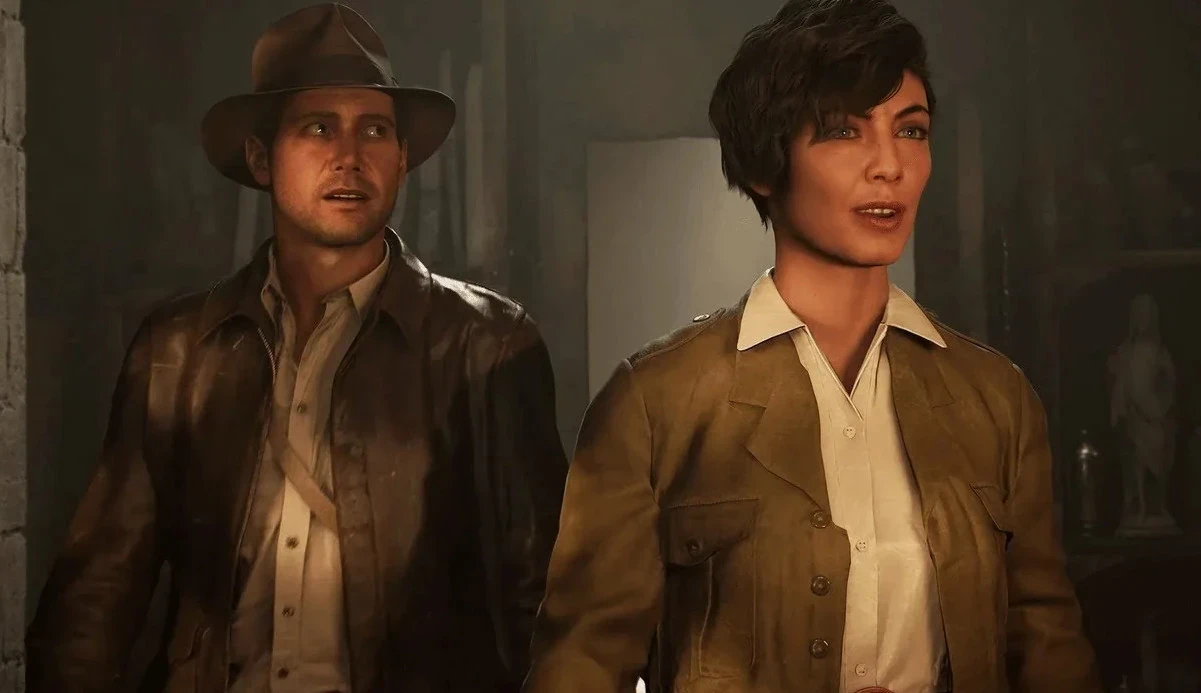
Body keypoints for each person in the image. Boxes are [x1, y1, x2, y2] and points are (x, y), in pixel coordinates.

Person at [522, 1, 1101, 691]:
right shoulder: (655, 404)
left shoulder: (995, 399)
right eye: (844, 131)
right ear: (766, 165)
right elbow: (580, 666)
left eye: (910, 130)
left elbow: (1049, 650)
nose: (889, 165)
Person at [27, 5, 567, 692]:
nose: (350, 157)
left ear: (402, 158)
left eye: (375, 129)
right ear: (261, 157)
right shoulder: (179, 351)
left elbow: (546, 602)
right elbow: (96, 596)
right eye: (318, 127)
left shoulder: (484, 344)